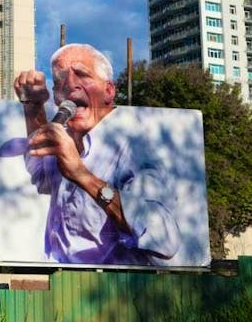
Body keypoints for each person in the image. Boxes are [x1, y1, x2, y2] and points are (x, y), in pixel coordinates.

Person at [13, 43, 180, 265]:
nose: (71, 84)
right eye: (61, 78)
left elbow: (164, 239)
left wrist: (82, 175)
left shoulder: (138, 143)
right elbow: (41, 177)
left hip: (112, 291)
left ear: (109, 91)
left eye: (82, 74)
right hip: (61, 287)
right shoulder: (68, 136)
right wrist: (33, 107)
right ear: (54, 95)